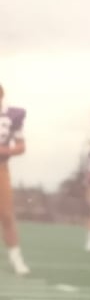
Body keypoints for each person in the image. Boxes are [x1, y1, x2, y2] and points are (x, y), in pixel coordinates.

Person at [0, 84, 31, 275]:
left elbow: (21, 146)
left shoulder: (12, 116)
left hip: (1, 168)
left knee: (6, 215)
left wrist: (6, 150)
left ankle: (16, 257)